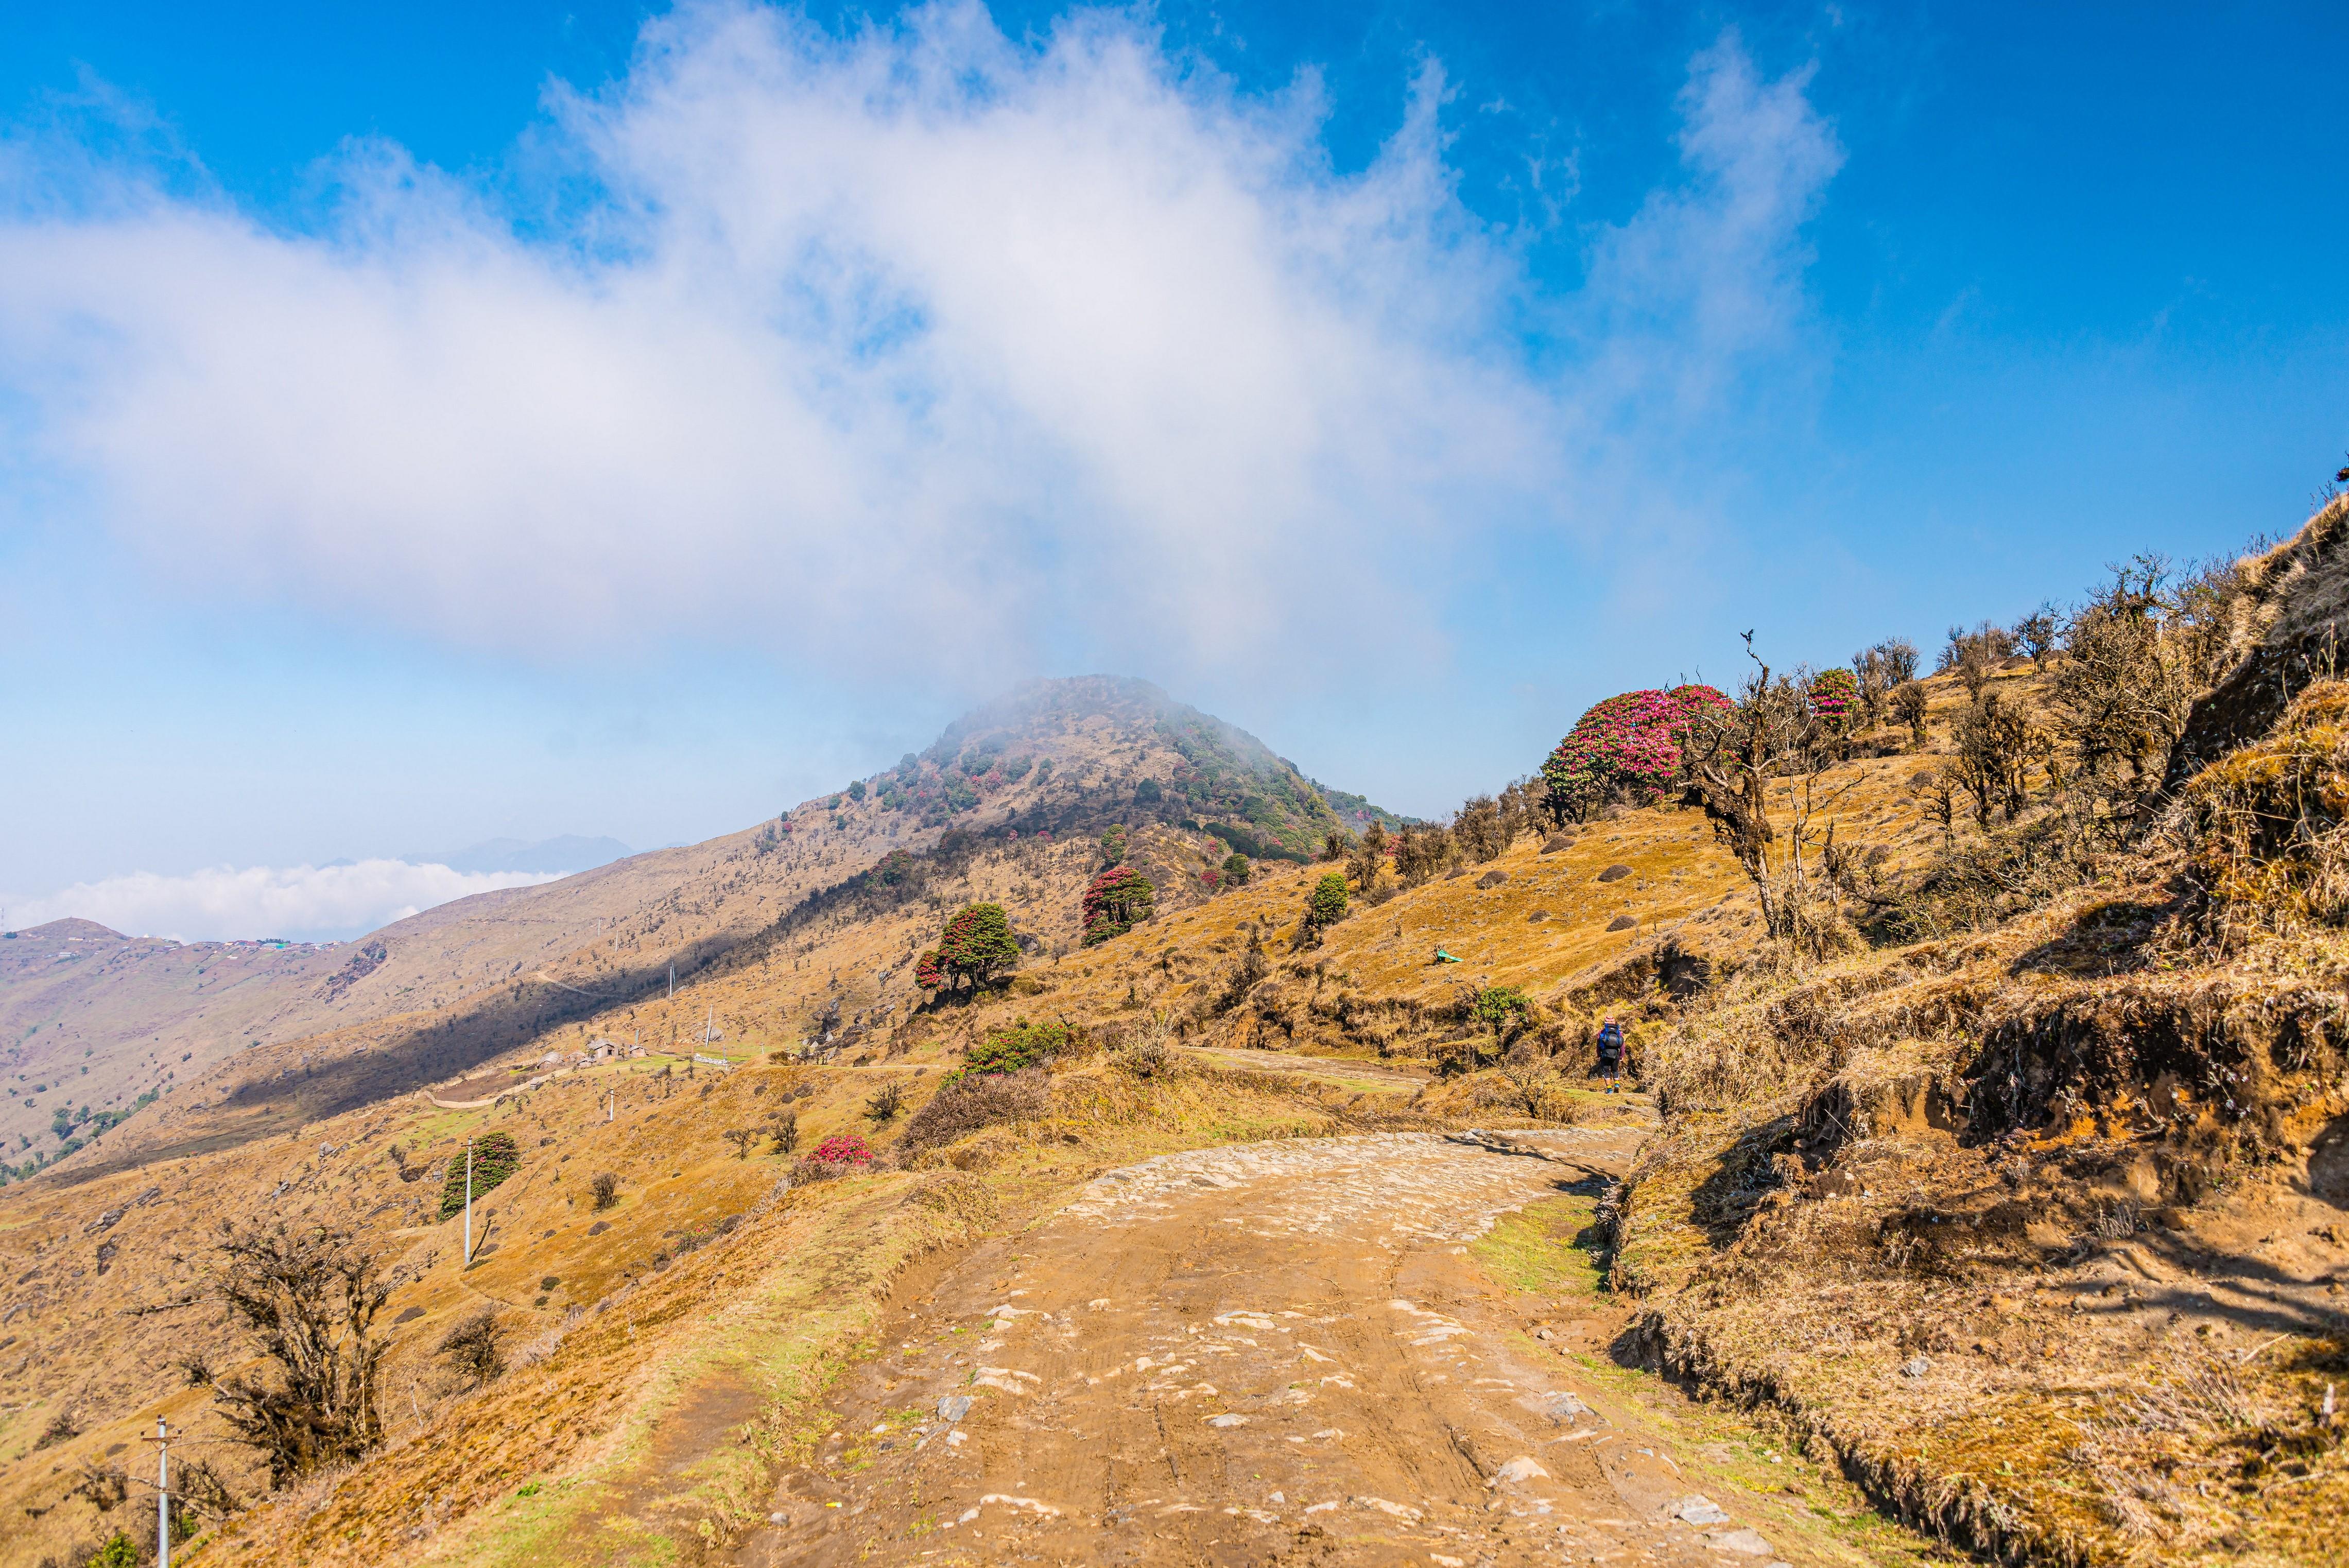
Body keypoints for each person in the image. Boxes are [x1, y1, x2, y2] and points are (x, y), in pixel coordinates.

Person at [1596, 1016, 1627, 1092]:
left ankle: (1609, 1089)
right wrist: (1622, 1055)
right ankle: (1617, 1084)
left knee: (1606, 1072)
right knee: (1615, 1070)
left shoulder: (1601, 1032)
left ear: (1605, 1024)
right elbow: (1622, 1045)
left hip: (1605, 1054)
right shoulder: (1618, 1032)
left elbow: (1598, 1044)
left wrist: (1599, 1055)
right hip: (1616, 1054)